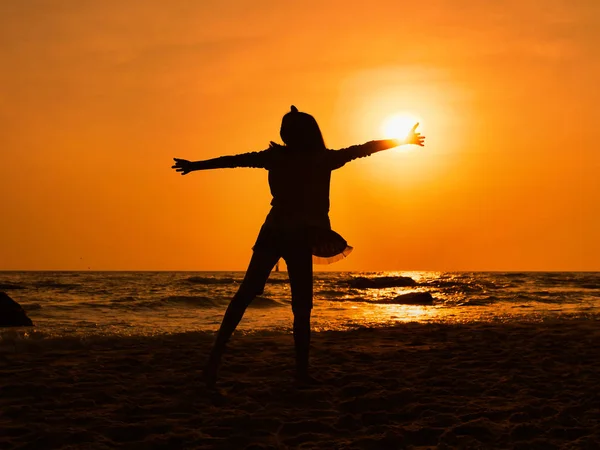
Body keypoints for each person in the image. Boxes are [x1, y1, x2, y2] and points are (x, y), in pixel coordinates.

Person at [172, 105, 425, 387]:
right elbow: (364, 148)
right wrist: (403, 140)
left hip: (278, 230)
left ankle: (216, 364)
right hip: (297, 234)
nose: (282, 132)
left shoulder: (281, 157)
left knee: (252, 295)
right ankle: (298, 372)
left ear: (293, 133)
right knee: (299, 304)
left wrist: (196, 166)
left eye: (286, 128)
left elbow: (233, 160)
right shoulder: (320, 158)